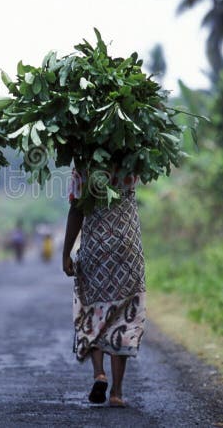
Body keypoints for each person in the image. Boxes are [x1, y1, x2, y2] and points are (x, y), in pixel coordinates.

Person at [61, 168, 146, 407]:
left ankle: (99, 373)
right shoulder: (132, 160)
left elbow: (76, 208)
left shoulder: (84, 167)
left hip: (96, 247)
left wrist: (66, 252)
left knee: (93, 310)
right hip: (127, 246)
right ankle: (117, 393)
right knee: (123, 316)